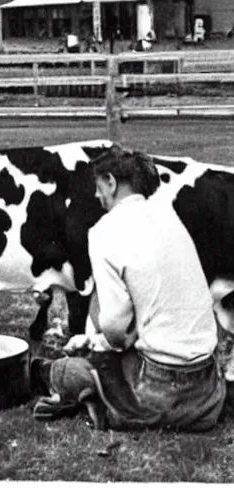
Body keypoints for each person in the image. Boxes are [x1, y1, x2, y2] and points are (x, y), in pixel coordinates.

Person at [32, 145, 226, 431]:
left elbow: (114, 328)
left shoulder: (105, 230)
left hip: (157, 389)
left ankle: (86, 395)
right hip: (208, 390)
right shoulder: (170, 218)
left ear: (111, 182)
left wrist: (102, 341)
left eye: (98, 187)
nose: (96, 196)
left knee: (68, 368)